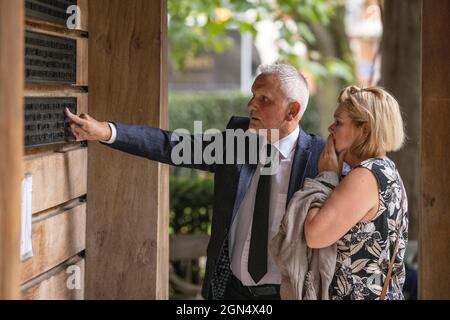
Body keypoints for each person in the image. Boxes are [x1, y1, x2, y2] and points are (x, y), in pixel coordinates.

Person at [65, 63, 325, 300]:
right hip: (230, 292)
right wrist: (106, 132)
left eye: (263, 99)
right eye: (253, 95)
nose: (251, 104)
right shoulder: (237, 141)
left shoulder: (319, 160)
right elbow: (172, 145)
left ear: (292, 111)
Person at [304, 85, 408, 300]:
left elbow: (314, 235)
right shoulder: (386, 170)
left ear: (365, 129)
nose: (331, 128)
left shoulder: (364, 177)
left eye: (339, 123)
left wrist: (326, 177)